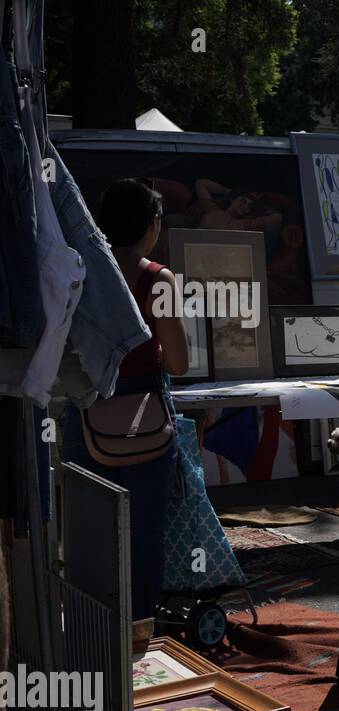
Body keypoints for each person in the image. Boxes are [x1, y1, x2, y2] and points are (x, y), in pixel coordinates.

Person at [61, 179, 187, 621]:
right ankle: (136, 632)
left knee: (85, 530)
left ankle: (85, 623)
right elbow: (180, 361)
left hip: (83, 408)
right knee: (141, 530)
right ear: (152, 224)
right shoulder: (159, 278)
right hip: (144, 413)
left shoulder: (78, 268)